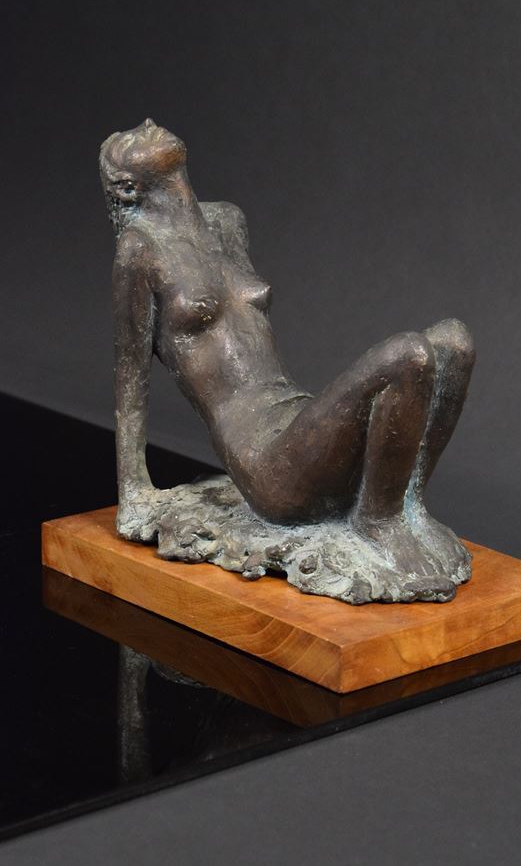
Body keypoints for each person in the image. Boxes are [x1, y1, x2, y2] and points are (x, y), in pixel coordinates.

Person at [100, 119, 475, 600]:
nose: (148, 124)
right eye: (131, 140)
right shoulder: (139, 251)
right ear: (126, 186)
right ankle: (377, 523)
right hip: (266, 462)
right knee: (408, 355)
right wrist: (134, 492)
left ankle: (404, 505)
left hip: (302, 424)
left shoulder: (226, 223)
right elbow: (130, 375)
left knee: (455, 342)